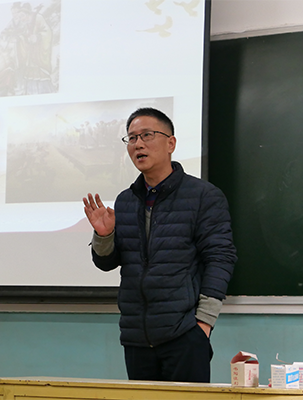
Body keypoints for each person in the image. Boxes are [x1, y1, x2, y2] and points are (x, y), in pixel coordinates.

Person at [82, 107, 237, 383]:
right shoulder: (125, 200)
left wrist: (204, 323)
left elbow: (220, 258)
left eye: (147, 135)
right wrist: (104, 236)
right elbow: (106, 263)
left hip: (184, 335)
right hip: (136, 338)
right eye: (131, 138)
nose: (138, 144)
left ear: (171, 143)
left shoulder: (203, 196)